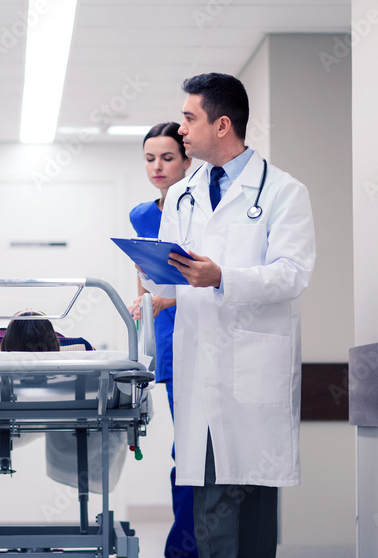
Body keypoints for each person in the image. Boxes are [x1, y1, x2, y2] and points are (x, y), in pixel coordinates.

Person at [139, 73, 316, 557]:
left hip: (254, 368)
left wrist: (223, 278)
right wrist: (154, 269)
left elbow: (293, 274)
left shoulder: (283, 192)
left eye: (189, 118)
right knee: (213, 504)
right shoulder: (183, 194)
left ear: (221, 125)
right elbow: (175, 276)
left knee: (254, 508)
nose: (181, 130)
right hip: (202, 366)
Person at [128, 122, 197, 557]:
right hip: (170, 347)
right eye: (150, 158)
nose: (158, 166)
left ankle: (187, 548)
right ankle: (184, 548)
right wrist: (145, 322)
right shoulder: (142, 215)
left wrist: (164, 300)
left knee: (198, 455)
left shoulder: (202, 210)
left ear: (187, 160)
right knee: (185, 454)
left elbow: (199, 280)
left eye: (167, 157)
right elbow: (144, 278)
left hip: (205, 333)